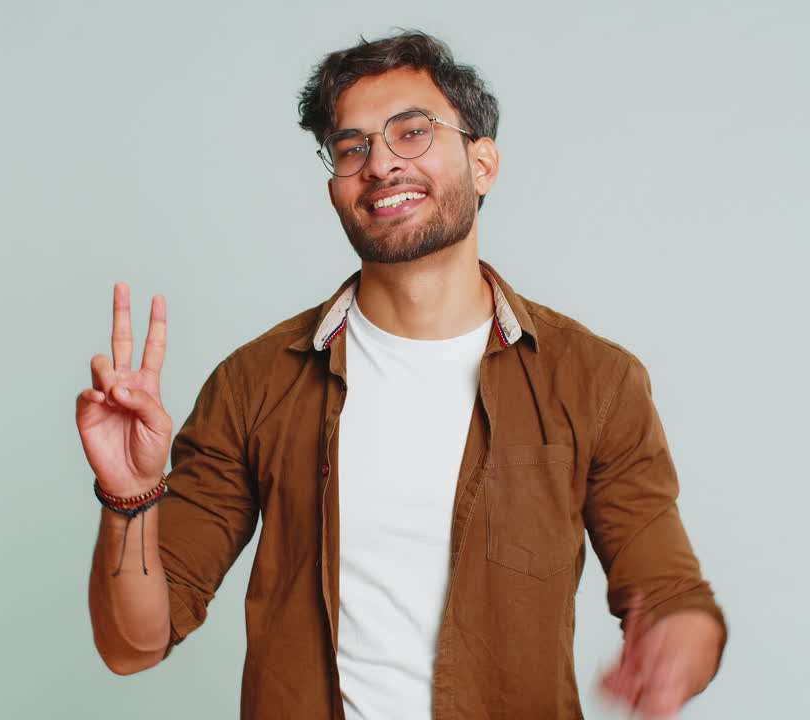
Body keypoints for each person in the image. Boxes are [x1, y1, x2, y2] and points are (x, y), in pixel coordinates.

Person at [76, 30, 726, 720]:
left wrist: (677, 652)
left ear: (484, 163)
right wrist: (132, 497)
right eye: (351, 147)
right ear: (334, 185)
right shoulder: (255, 384)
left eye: (412, 132)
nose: (381, 163)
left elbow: (671, 596)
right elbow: (132, 645)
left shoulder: (594, 383)